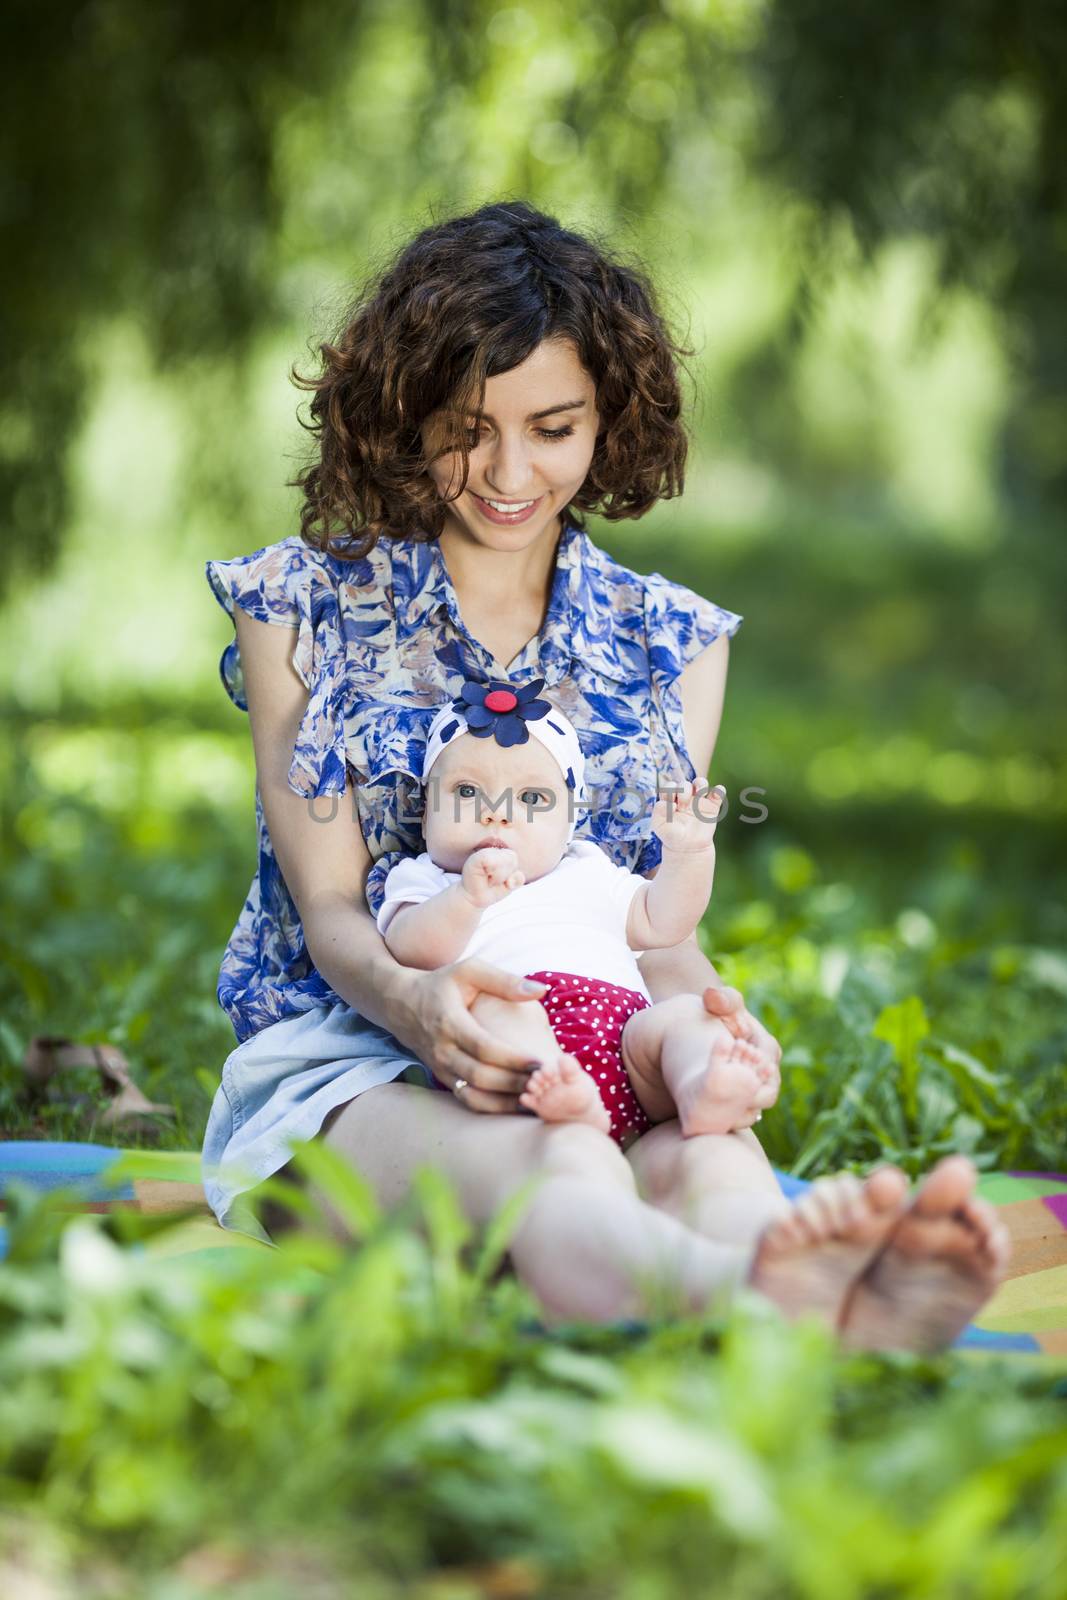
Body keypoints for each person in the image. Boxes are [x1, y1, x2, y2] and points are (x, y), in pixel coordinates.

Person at [200, 198, 1010, 1350]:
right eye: (466, 426)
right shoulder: (302, 608)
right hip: (351, 1064)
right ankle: (764, 1304)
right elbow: (332, 910)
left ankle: (816, 1290)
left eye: (553, 426)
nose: (506, 471)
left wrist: (717, 1032)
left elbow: (650, 936)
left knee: (711, 1155)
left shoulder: (667, 640)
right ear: (406, 411)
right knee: (557, 1152)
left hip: (598, 1038)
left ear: (608, 420)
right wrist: (421, 1010)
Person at [377, 680, 773, 1147]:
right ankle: (564, 1098)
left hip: (628, 1040)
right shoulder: (424, 879)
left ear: (567, 825)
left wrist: (689, 854)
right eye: (466, 791)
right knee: (498, 1009)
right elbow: (412, 950)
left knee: (686, 1016)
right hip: (519, 1034)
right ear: (425, 815)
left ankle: (702, 1086)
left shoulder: (587, 871)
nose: (495, 814)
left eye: (531, 799)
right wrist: (465, 898)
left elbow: (664, 922)